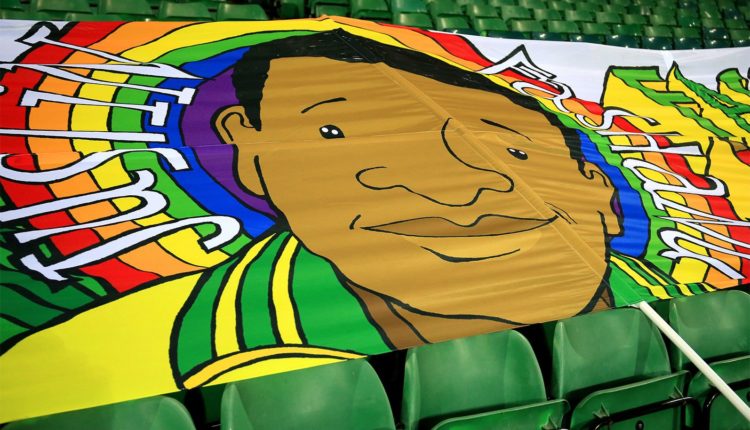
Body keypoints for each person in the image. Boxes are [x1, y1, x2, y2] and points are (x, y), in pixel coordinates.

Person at [0, 30, 622, 396]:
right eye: (334, 134)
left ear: (601, 189)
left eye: (512, 149)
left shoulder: (651, 293)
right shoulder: (120, 351)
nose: (458, 191)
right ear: (250, 158)